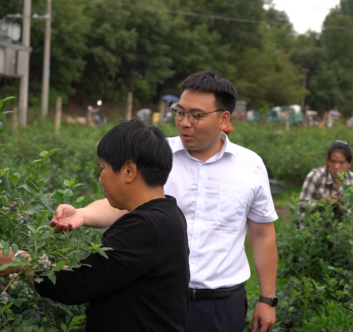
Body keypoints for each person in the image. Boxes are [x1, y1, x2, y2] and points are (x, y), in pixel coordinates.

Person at [50, 71, 279, 332]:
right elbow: (127, 203)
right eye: (180, 112)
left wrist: (266, 299)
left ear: (224, 118)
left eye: (196, 115)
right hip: (157, 298)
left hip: (220, 303)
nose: (184, 122)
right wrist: (82, 214)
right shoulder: (157, 154)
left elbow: (262, 234)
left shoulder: (250, 165)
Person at [0, 120, 190, 332]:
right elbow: (103, 275)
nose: (100, 178)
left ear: (129, 171)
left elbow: (75, 285)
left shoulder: (144, 228)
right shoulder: (170, 214)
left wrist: (23, 261)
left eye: (103, 168)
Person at [299, 140, 353, 218]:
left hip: (340, 228)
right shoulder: (315, 176)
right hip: (313, 227)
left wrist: (339, 205)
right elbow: (302, 204)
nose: (336, 167)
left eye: (341, 163)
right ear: (327, 161)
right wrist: (323, 203)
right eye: (333, 161)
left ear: (349, 164)